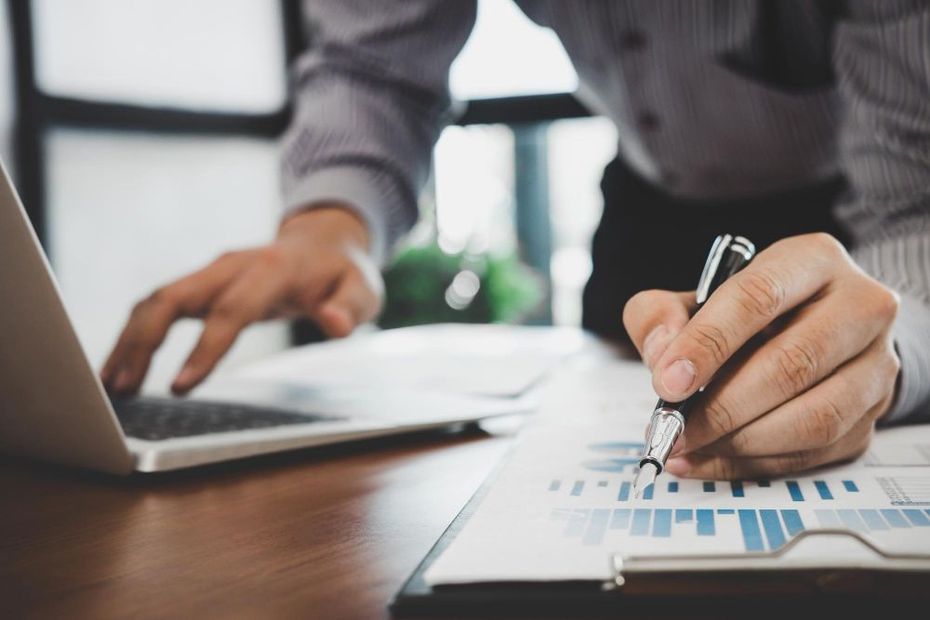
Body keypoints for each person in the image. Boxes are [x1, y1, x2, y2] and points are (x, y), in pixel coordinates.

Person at [101, 1, 930, 479]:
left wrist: (901, 349)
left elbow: (914, 205)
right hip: (645, 202)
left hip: (871, 214)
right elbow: (374, 60)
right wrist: (330, 223)